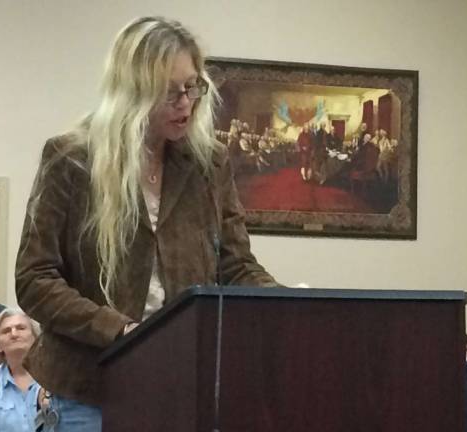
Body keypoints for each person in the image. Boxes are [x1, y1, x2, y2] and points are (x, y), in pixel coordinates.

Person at [15, 16, 278, 431]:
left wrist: (284, 304)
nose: (186, 103)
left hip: (182, 385)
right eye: (169, 91)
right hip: (89, 390)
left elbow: (235, 265)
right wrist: (122, 331)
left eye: (192, 86)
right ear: (131, 92)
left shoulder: (209, 164)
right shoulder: (71, 159)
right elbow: (35, 278)